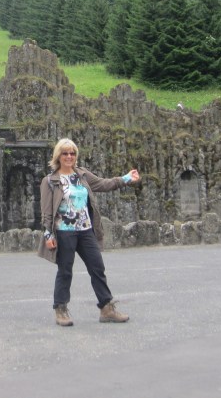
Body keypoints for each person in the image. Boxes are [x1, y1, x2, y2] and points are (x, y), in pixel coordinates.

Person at [40, 138, 140, 327]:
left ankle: (106, 308)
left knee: (97, 267)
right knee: (65, 271)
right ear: (58, 156)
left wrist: (126, 178)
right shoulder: (50, 181)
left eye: (72, 153)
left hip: (86, 230)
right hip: (64, 232)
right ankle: (60, 309)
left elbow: (103, 184)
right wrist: (48, 234)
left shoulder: (82, 175)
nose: (69, 156)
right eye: (65, 153)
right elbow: (46, 211)